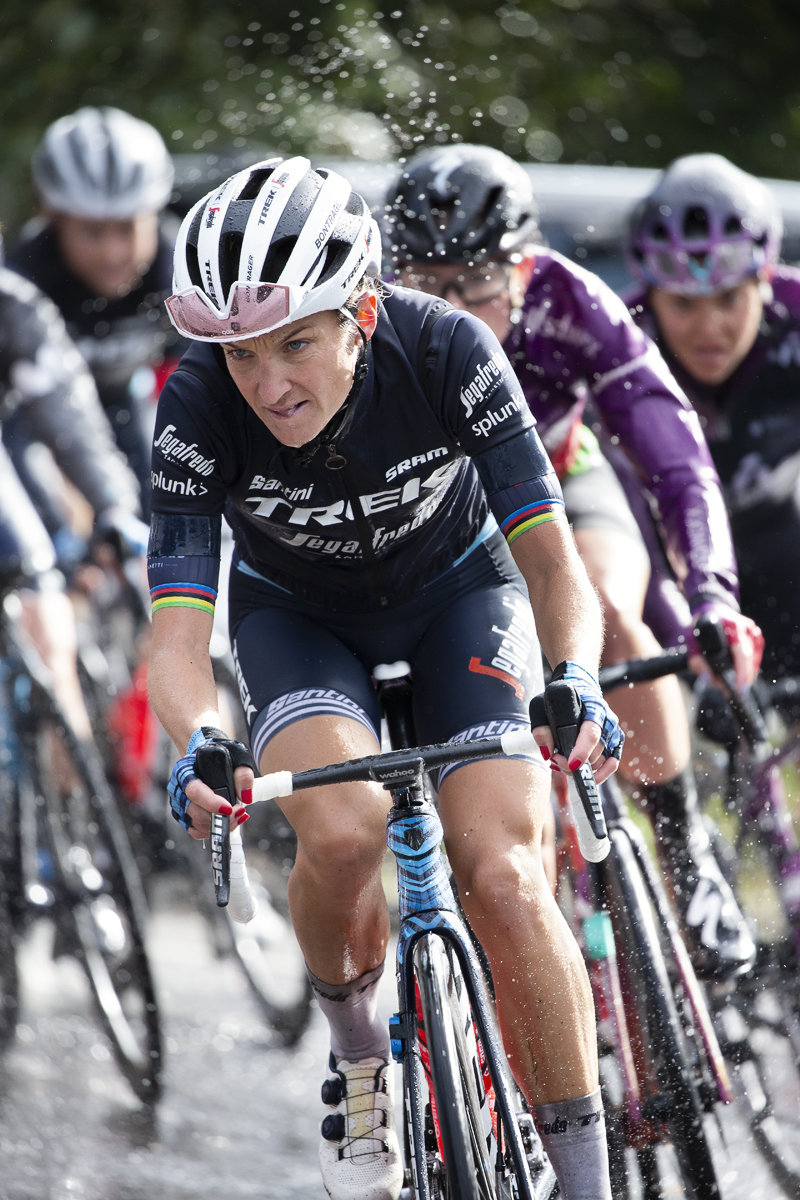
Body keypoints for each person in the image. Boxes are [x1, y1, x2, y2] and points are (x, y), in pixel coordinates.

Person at [148, 155, 625, 1200]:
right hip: (299, 624)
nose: (266, 383)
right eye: (238, 354)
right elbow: (178, 633)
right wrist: (193, 742)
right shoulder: (194, 405)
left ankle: (587, 1180)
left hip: (459, 592)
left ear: (359, 311)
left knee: (501, 874)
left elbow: (551, 562)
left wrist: (576, 676)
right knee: (345, 826)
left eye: (295, 343)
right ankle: (360, 1052)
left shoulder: (445, 345)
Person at [386, 144, 761, 980]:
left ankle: (684, 849)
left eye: (480, 284)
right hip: (440, 524)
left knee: (611, 608)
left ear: (525, 268)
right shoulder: (370, 322)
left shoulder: (570, 299)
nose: (457, 312)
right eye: (430, 285)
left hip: (561, 478)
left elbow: (675, 459)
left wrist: (711, 590)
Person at [626, 152, 800, 923]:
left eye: (729, 298)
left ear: (765, 277)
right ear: (650, 294)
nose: (708, 326)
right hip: (679, 585)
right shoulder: (622, 342)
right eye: (683, 303)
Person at [7, 106, 182, 518]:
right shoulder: (21, 281)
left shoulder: (180, 267)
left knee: (157, 519)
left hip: (123, 402)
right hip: (30, 421)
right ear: (54, 220)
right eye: (91, 232)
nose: (112, 253)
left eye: (127, 229)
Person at [0, 259, 145, 742]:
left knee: (40, 593)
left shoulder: (12, 303)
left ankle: (70, 796)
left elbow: (69, 421)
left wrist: (112, 509)